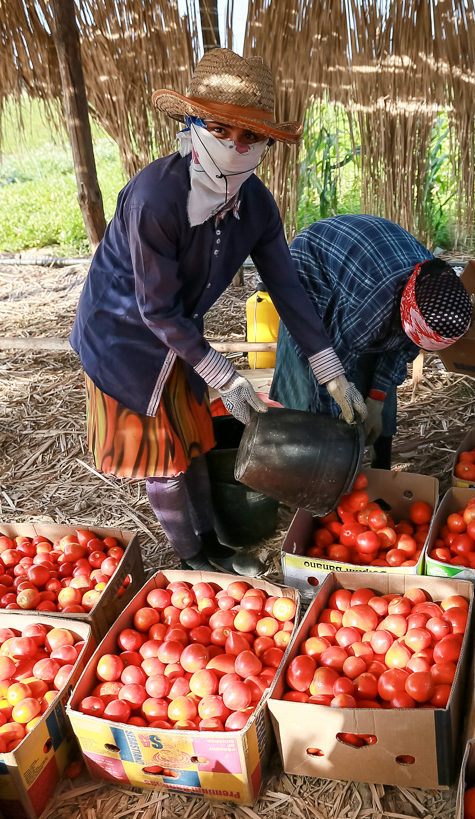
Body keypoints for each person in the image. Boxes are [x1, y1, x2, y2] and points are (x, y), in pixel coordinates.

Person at [70, 49, 364, 573]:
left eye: (250, 136)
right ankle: (191, 558)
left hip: (182, 338)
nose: (234, 145)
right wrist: (226, 377)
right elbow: (154, 309)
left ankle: (214, 546)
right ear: (190, 126)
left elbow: (287, 288)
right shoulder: (155, 198)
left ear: (266, 145)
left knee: (194, 444)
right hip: (123, 339)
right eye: (219, 128)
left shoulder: (255, 205)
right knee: (164, 458)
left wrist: (331, 372)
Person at [270, 214, 473, 469]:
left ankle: (380, 466)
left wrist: (376, 401)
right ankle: (308, 461)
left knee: (375, 372)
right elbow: (328, 371)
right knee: (312, 367)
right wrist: (334, 432)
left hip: (371, 260)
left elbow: (401, 350)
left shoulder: (435, 291)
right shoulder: (366, 312)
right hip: (313, 265)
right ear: (405, 316)